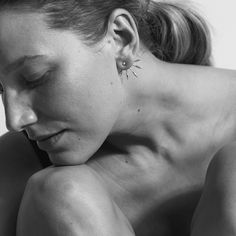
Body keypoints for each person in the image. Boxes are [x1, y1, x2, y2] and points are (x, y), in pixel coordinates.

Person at [0, 0, 236, 235]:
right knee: (60, 193)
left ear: (121, 37)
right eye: (0, 90)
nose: (15, 119)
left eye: (35, 77)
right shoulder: (19, 165)